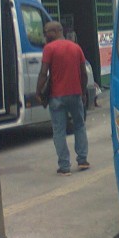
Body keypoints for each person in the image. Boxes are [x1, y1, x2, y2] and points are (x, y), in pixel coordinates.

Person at [36, 21, 90, 176]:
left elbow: (43, 73)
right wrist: (83, 91)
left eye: (47, 31)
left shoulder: (49, 48)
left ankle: (64, 166)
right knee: (79, 126)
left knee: (59, 130)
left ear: (55, 31)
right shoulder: (76, 47)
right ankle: (83, 160)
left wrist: (38, 92)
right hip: (75, 94)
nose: (45, 34)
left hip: (57, 97)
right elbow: (84, 74)